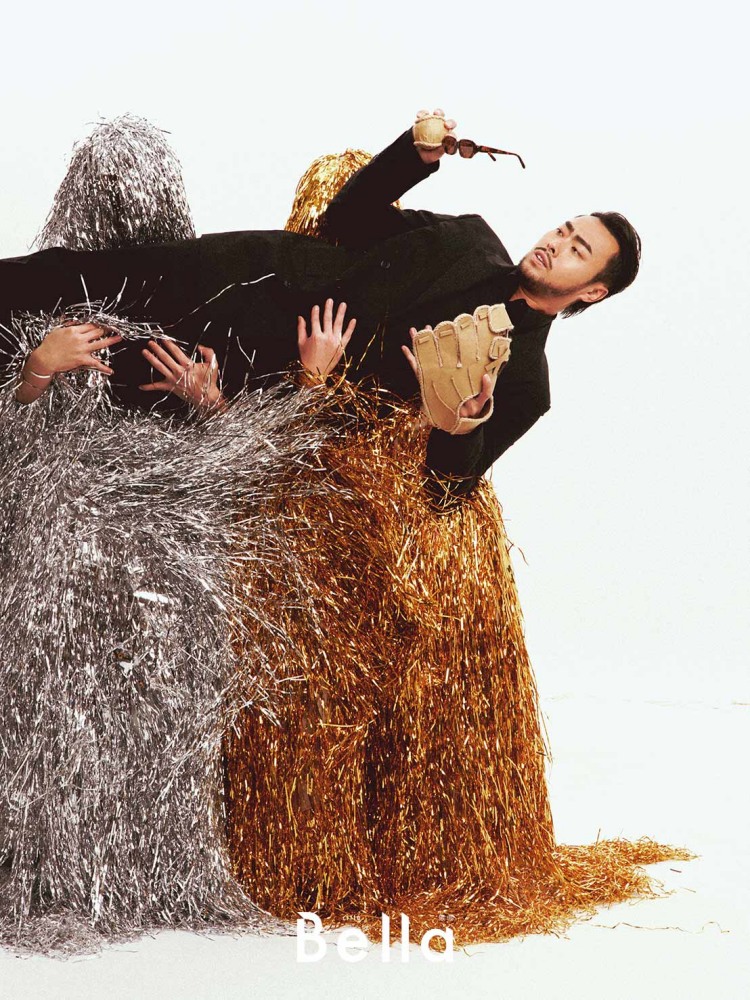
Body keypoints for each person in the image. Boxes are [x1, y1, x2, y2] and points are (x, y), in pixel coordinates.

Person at [1, 109, 641, 500]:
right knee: (64, 277)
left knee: (102, 379)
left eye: (578, 248)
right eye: (563, 229)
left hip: (242, 368)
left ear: (593, 291)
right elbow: (348, 220)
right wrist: (411, 157)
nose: (555, 243)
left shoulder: (523, 386)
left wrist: (459, 428)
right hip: (243, 269)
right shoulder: (470, 238)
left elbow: (445, 496)